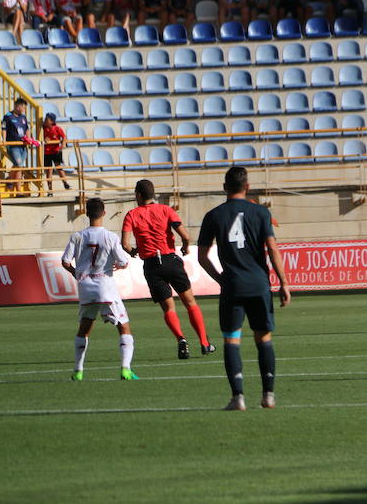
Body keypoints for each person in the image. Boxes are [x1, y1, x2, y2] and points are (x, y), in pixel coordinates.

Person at [198, 167, 291, 411]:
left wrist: (220, 279)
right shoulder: (261, 212)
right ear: (247, 187)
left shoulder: (214, 215)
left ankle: (238, 397)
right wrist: (283, 282)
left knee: (231, 340)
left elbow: (202, 257)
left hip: (233, 285)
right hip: (259, 284)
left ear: (224, 187)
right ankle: (268, 395)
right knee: (264, 337)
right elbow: (273, 249)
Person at [121, 180, 215, 360]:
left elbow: (125, 244)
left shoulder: (131, 215)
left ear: (139, 195)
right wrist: (186, 247)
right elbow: (185, 235)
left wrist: (134, 251)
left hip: (151, 265)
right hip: (170, 260)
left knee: (168, 307)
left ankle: (181, 339)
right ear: (153, 194)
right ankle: (204, 343)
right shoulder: (166, 210)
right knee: (190, 302)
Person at [62, 198, 138, 382]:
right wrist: (117, 266)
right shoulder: (110, 237)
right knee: (123, 326)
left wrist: (76, 273)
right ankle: (125, 369)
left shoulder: (77, 236)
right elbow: (123, 262)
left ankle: (78, 371)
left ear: (87, 213)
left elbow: (65, 262)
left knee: (84, 328)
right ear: (104, 213)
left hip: (86, 287)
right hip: (106, 287)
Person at [1, 97, 30, 194]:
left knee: (19, 167)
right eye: (23, 108)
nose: (24, 110)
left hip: (23, 145)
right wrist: (4, 140)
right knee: (18, 164)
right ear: (18, 107)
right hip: (13, 146)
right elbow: (4, 128)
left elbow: (27, 129)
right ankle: (18, 191)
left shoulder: (23, 117)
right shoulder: (7, 116)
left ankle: (10, 178)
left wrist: (29, 139)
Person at [41, 113, 70, 194]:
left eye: (47, 119)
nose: (45, 121)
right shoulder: (43, 128)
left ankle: (65, 183)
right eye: (45, 119)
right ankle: (50, 190)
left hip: (56, 151)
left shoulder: (57, 128)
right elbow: (40, 137)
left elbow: (64, 136)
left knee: (59, 167)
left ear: (52, 121)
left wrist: (63, 143)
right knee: (49, 171)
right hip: (47, 152)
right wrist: (44, 139)